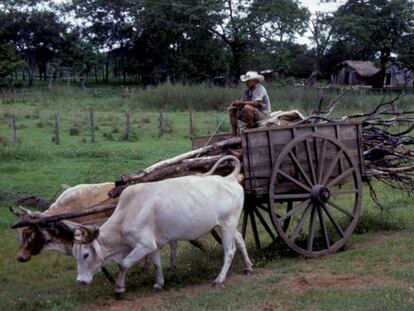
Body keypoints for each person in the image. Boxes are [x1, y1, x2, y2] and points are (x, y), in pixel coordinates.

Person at [229, 71, 271, 135]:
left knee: (247, 107)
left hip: (263, 114)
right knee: (232, 110)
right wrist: (234, 106)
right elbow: (241, 103)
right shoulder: (247, 90)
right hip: (252, 113)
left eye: (248, 81)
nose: (246, 83)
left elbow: (256, 103)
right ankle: (234, 134)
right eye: (246, 81)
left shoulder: (260, 88)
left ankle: (250, 130)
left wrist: (240, 102)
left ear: (255, 81)